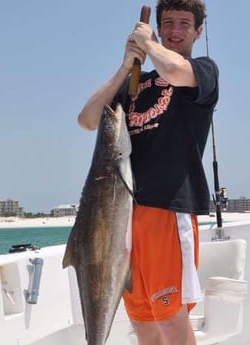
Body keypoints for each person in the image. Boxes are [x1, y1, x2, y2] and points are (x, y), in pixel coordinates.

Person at [78, 0, 219, 344]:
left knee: (171, 319)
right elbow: (88, 119)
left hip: (168, 210)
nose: (175, 31)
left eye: (184, 24)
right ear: (158, 25)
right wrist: (126, 65)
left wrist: (149, 44)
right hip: (121, 214)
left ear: (198, 31)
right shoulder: (134, 85)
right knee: (143, 322)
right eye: (167, 22)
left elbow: (174, 72)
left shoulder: (203, 70)